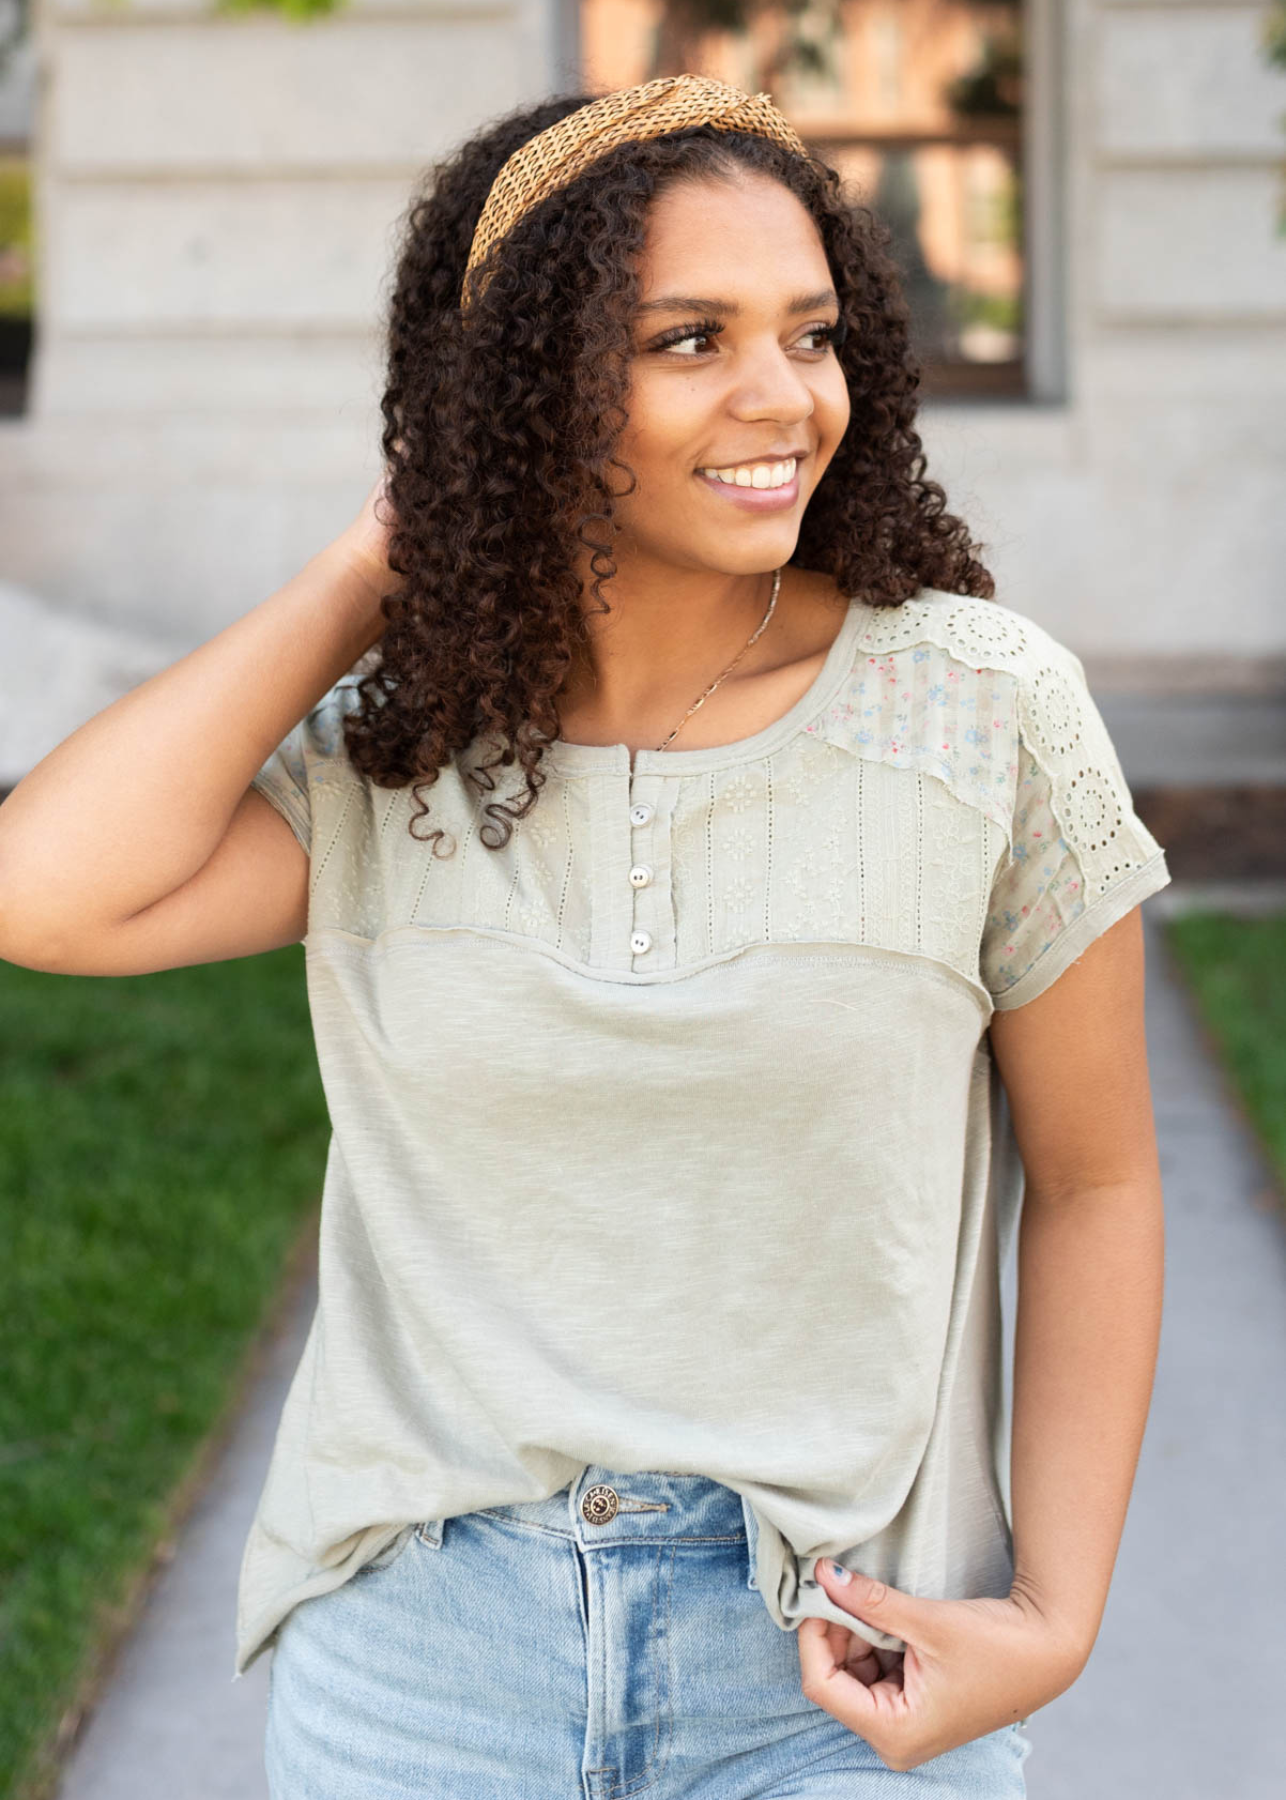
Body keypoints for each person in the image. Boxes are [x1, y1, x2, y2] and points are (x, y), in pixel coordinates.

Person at [0, 73, 1171, 1798]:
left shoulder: (979, 715)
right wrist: (380, 559)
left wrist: (1052, 1619)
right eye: (685, 340)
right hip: (420, 1667)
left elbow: (1097, 1184)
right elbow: (50, 895)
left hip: (834, 1666)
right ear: (530, 391)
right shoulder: (405, 751)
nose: (780, 398)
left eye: (810, 333)